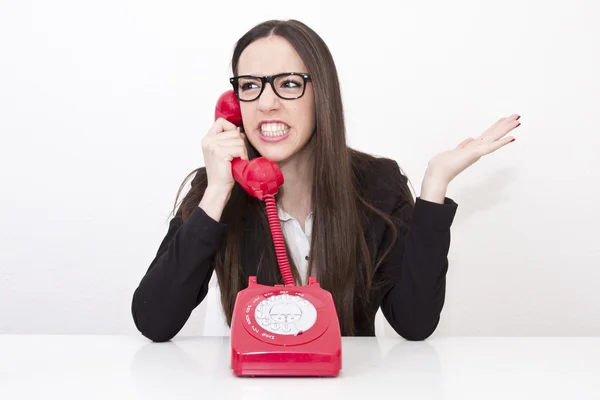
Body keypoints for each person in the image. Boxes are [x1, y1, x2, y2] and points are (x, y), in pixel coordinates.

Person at [131, 19, 521, 343]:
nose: (267, 103)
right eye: (250, 85)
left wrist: (434, 187)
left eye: (288, 83)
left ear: (322, 94)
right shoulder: (216, 189)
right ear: (234, 103)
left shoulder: (377, 187)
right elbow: (154, 321)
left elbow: (415, 324)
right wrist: (217, 192)